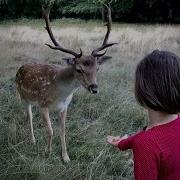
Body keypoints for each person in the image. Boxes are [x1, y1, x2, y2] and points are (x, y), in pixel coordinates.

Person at [107, 50, 180, 180]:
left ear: (143, 89)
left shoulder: (146, 144)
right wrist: (124, 143)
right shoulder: (176, 122)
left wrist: (140, 145)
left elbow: (150, 141)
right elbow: (160, 136)